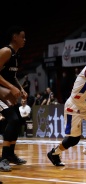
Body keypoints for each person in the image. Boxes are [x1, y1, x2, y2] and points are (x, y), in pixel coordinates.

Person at [0, 26, 28, 172]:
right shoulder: (5, 51)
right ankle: (3, 158)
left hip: (5, 94)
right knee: (13, 119)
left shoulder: (16, 56)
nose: (24, 39)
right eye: (22, 36)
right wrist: (11, 87)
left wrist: (21, 89)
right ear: (14, 37)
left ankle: (10, 155)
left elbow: (13, 76)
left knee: (18, 121)